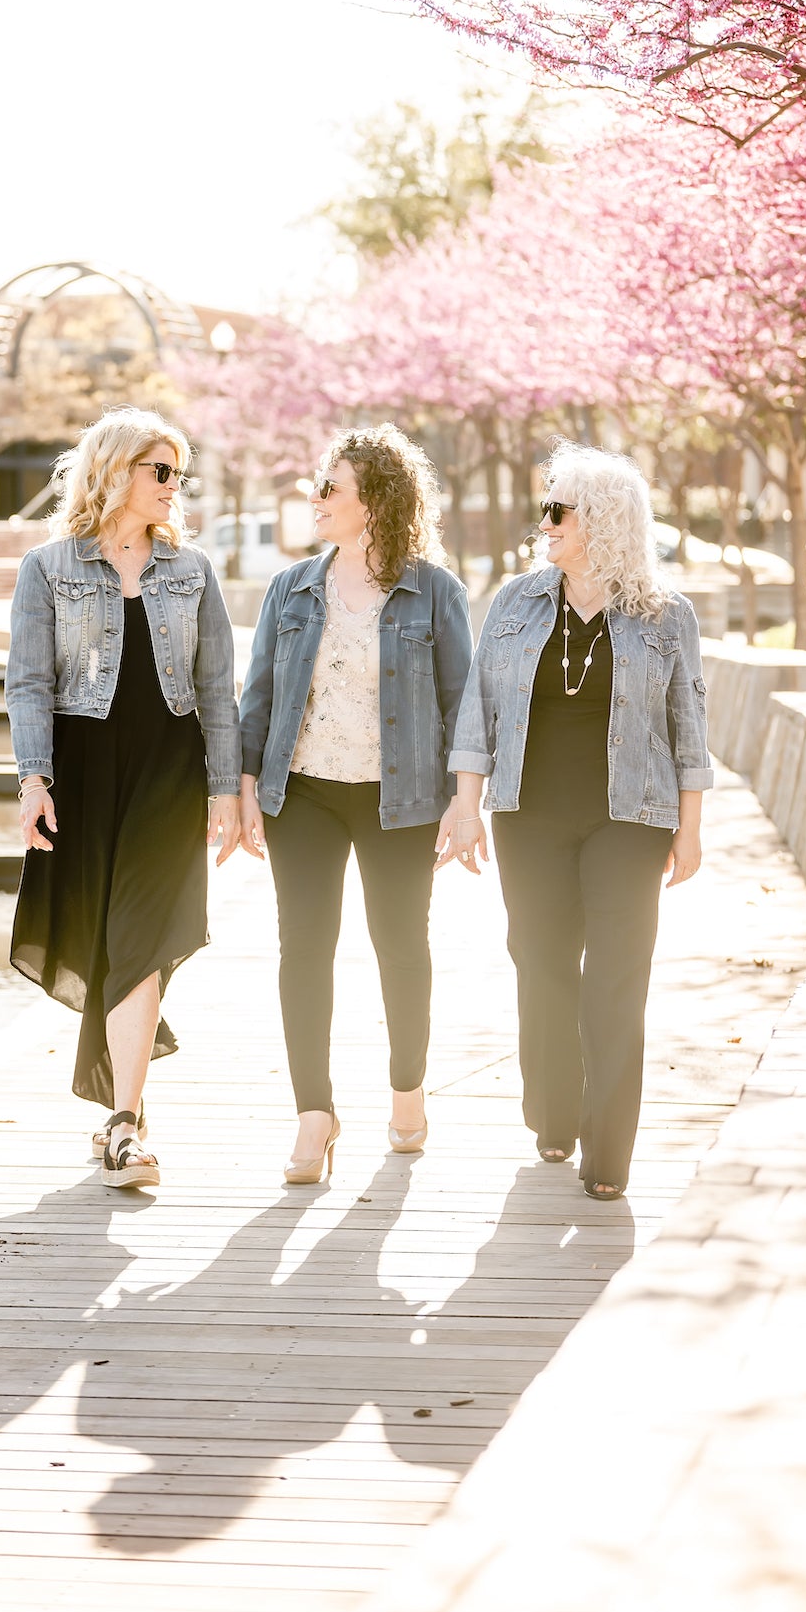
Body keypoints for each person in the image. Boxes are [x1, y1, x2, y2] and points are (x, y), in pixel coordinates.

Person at [441, 442, 712, 1201]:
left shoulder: (665, 614)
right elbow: (477, 709)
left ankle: (609, 1156)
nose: (544, 523)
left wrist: (689, 828)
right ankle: (554, 1112)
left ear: (600, 520)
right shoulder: (515, 601)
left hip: (631, 819)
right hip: (528, 816)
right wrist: (466, 807)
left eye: (556, 510)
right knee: (541, 961)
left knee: (617, 980)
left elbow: (688, 725)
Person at [5, 408, 241, 1191]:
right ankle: (125, 1100)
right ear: (115, 471)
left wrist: (222, 789)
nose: (175, 487)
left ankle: (123, 1124)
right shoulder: (49, 568)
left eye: (179, 473)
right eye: (162, 471)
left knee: (145, 936)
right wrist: (33, 780)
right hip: (84, 772)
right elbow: (29, 683)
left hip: (168, 774)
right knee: (104, 941)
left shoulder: (191, 571)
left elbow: (215, 691)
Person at [239, 424, 473, 1184]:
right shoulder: (291, 587)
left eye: (329, 487)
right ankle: (315, 1115)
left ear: (373, 499)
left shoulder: (433, 590)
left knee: (400, 948)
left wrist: (463, 802)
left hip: (399, 801)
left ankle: (407, 1090)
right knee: (301, 950)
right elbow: (260, 697)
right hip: (300, 794)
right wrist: (244, 788)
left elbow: (459, 702)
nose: (315, 497)